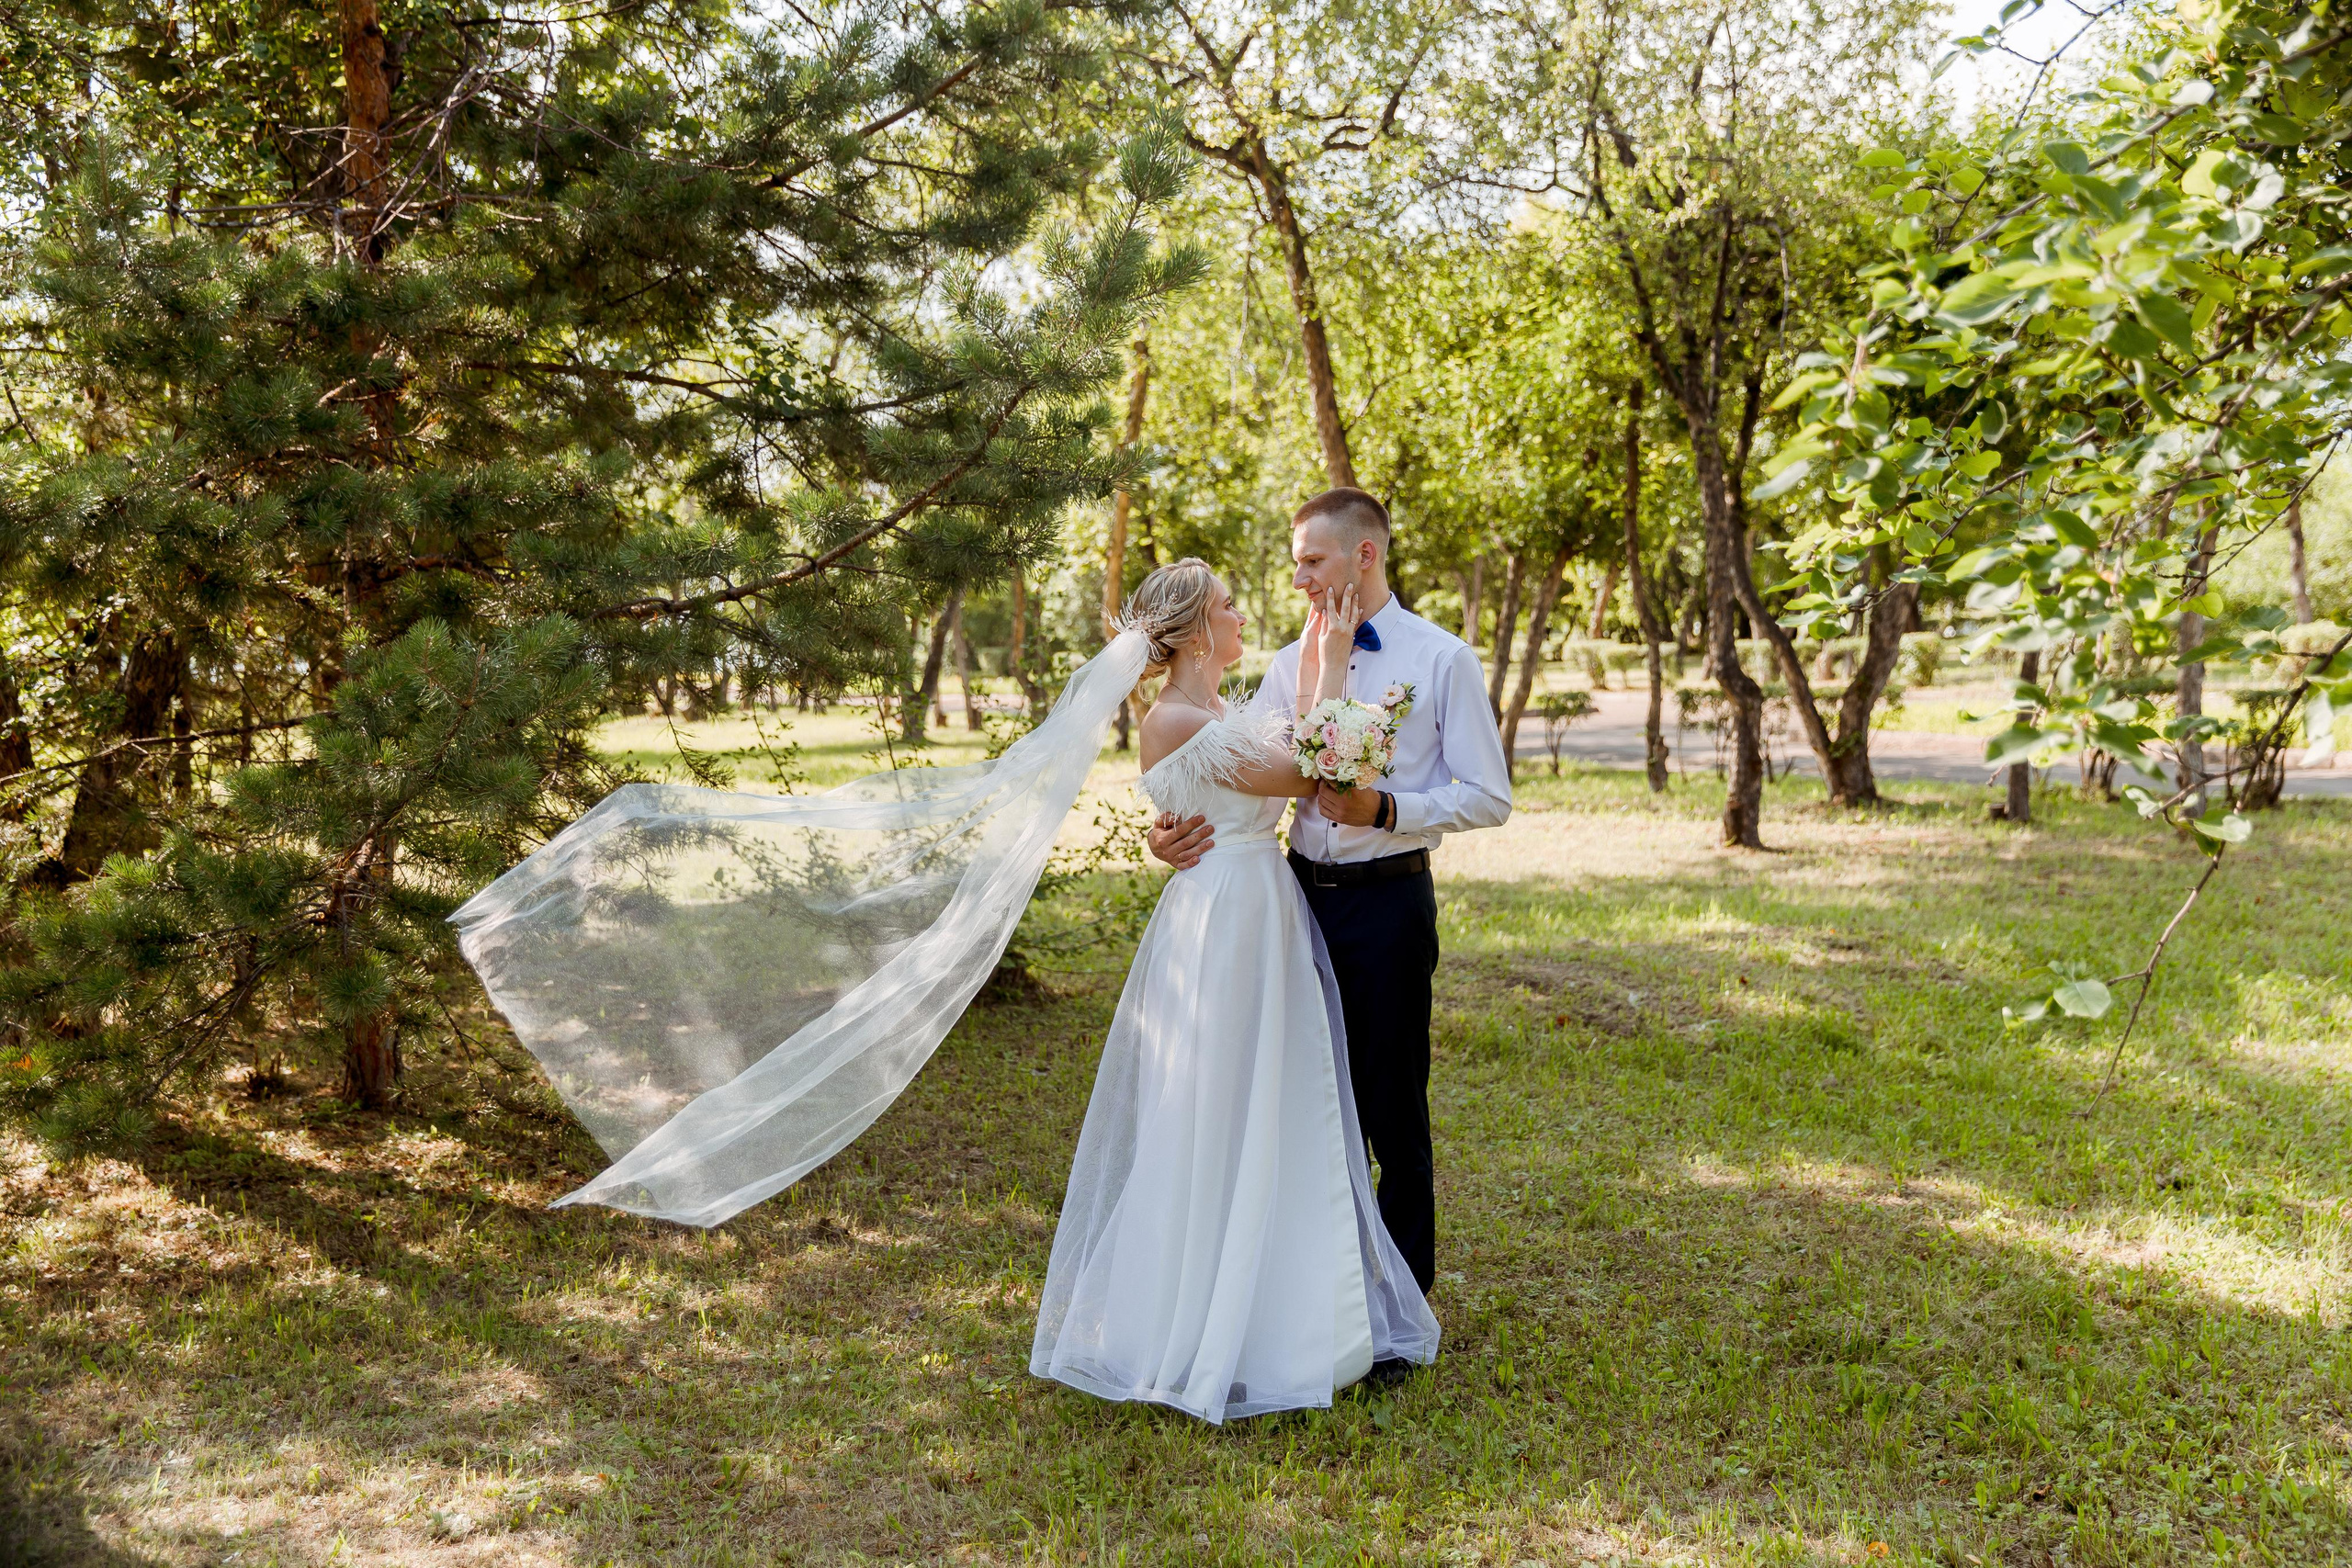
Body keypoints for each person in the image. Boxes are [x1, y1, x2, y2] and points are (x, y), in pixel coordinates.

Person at [1029, 558, 1440, 1423]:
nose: (1241, 614)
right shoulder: (1177, 718)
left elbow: (1271, 769)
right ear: (1190, 632)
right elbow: (1313, 778)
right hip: (1227, 920)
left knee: (1278, 1104)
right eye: (1228, 606)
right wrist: (1328, 666)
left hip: (1259, 907)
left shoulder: (1217, 710)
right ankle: (1209, 1326)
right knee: (1219, 1107)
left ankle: (1285, 1312)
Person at [1147, 489, 1512, 1353]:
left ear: (1364, 557)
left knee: (1391, 1110)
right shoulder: (1287, 661)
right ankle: (1322, 1300)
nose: (1299, 575)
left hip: (1387, 903)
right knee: (1305, 1103)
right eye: (1297, 560)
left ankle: (1402, 1315)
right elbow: (1231, 767)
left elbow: (1489, 796)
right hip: (1288, 904)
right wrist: (1164, 828)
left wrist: (1385, 808)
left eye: (1312, 559)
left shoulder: (1443, 659)